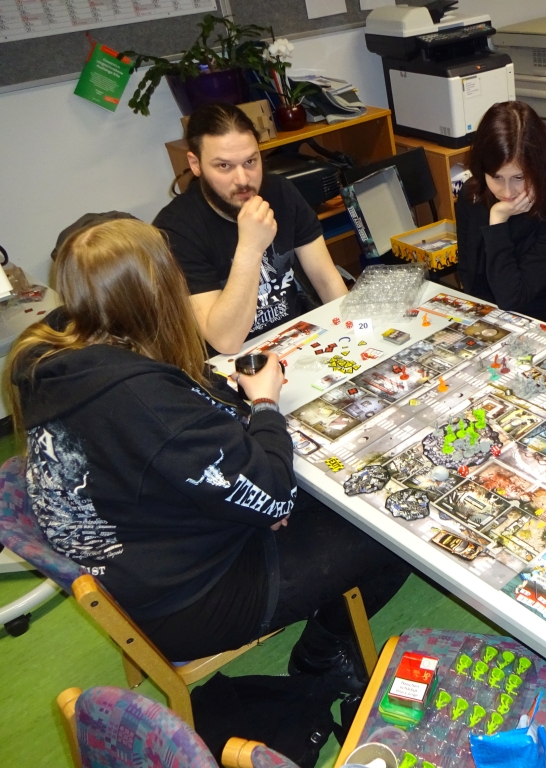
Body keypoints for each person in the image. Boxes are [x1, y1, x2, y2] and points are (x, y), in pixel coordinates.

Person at [4, 219, 410, 701]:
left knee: (317, 493)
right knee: (390, 529)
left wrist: (249, 487)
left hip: (148, 555)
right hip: (192, 600)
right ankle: (321, 653)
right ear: (158, 291)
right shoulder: (143, 401)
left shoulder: (48, 354)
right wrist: (264, 405)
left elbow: (187, 427)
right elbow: (273, 494)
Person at [153, 103, 349, 354]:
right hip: (232, 361)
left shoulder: (281, 192)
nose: (243, 180)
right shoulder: (175, 230)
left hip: (298, 339)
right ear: (196, 164)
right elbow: (226, 341)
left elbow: (326, 279)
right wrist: (250, 247)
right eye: (224, 166)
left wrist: (354, 334)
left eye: (250, 161)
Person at [456, 101, 546, 332]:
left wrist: (498, 222)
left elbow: (512, 299)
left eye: (519, 178)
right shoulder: (473, 196)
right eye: (496, 177)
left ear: (539, 168)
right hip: (495, 314)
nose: (507, 192)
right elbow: (469, 275)